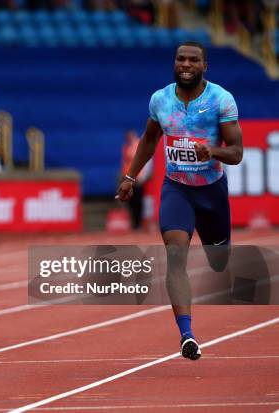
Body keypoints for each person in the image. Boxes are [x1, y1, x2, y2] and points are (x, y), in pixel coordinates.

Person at [116, 41, 243, 361]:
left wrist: (212, 151)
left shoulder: (221, 100)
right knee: (175, 254)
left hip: (212, 192)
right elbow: (148, 140)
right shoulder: (160, 99)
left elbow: (237, 152)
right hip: (177, 189)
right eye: (180, 59)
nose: (186, 64)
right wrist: (131, 177)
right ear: (174, 63)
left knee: (219, 260)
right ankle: (187, 334)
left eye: (193, 60)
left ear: (204, 66)